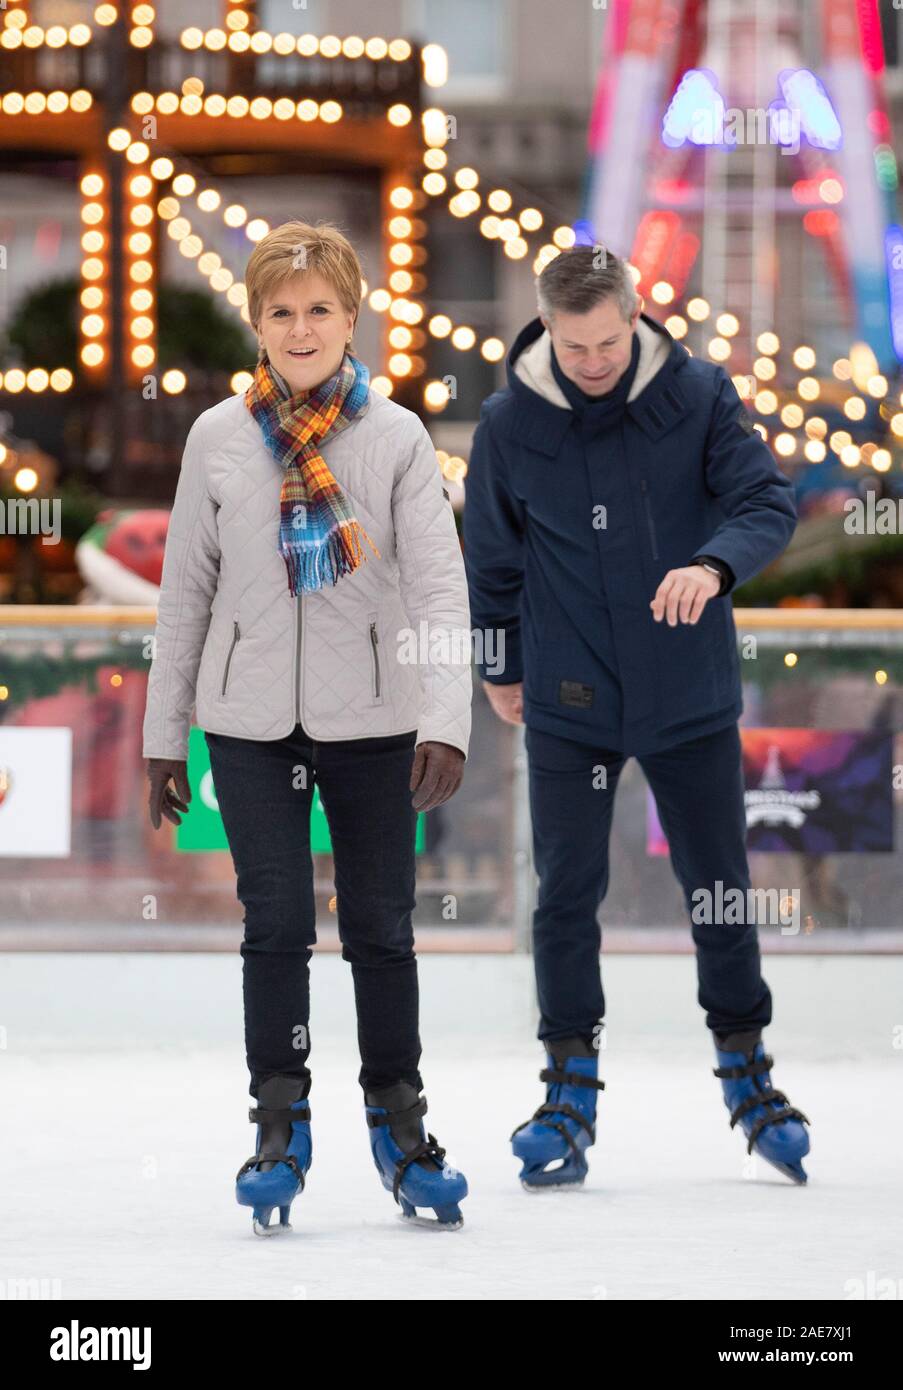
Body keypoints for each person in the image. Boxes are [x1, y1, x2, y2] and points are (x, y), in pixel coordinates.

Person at [142, 220, 472, 1233]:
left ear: (351, 316)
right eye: (280, 311)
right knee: (275, 926)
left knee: (381, 927)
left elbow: (437, 587)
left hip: (375, 719)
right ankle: (279, 1122)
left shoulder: (398, 437)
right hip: (246, 727)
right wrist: (166, 734)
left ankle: (400, 1122)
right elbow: (184, 594)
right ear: (256, 321)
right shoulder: (217, 438)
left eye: (319, 308)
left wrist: (445, 717)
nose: (300, 328)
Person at [463, 244, 811, 1190]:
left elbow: (764, 499)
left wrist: (711, 566)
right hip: (570, 698)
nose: (593, 363)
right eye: (575, 347)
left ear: (635, 315)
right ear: (546, 328)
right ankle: (567, 1086)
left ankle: (747, 1068)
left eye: (608, 342)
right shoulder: (508, 422)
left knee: (717, 888)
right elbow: (490, 557)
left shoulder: (697, 394)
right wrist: (500, 665)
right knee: (564, 895)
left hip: (685, 695)